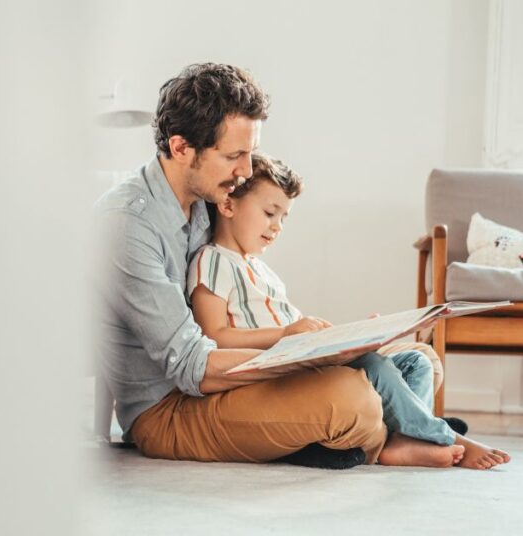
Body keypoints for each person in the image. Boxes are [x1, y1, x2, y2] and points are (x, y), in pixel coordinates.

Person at [95, 63, 386, 470]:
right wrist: (305, 355)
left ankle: (363, 431)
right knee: (354, 401)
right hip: (169, 409)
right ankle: (379, 434)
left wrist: (323, 348)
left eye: (249, 153)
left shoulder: (204, 199)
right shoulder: (127, 225)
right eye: (234, 155)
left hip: (220, 384)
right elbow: (193, 366)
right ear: (181, 148)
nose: (246, 171)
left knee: (410, 361)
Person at [187, 152, 511, 470]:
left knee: (418, 362)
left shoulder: (262, 271)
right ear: (228, 205)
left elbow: (294, 330)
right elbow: (213, 335)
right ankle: (442, 436)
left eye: (284, 218)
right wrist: (286, 334)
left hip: (301, 358)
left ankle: (403, 440)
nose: (278, 227)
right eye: (270, 213)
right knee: (372, 365)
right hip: (273, 373)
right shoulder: (212, 261)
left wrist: (348, 336)